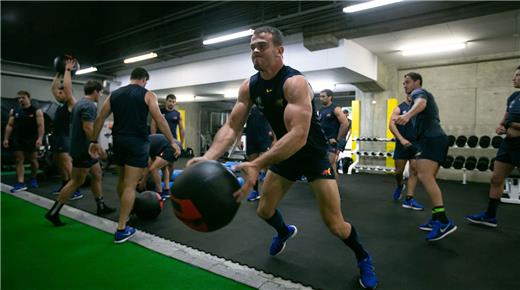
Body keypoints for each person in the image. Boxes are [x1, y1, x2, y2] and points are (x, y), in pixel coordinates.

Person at [187, 26, 378, 289]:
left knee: (335, 224)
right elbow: (232, 126)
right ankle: (284, 231)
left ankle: (363, 257)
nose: (255, 50)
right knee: (264, 210)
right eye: (252, 46)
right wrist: (208, 157)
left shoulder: (294, 83)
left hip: (312, 156)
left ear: (279, 50)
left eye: (262, 45)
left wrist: (256, 163)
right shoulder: (250, 86)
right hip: (285, 155)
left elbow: (299, 135)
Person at [89, 67, 179, 244]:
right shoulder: (148, 94)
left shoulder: (114, 94)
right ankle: (122, 228)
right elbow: (159, 119)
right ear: (145, 79)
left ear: (131, 78)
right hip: (137, 143)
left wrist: (93, 141)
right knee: (130, 186)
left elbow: (100, 117)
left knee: (121, 180)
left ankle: (126, 213)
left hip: (119, 141)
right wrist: (172, 142)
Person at [395, 72, 457, 241]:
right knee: (428, 179)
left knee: (424, 176)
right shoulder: (414, 98)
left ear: (417, 82)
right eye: (404, 83)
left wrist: (407, 115)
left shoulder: (419, 93)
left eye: (407, 82)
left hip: (432, 140)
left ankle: (443, 221)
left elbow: (421, 102)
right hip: (433, 140)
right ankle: (436, 218)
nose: (405, 85)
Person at [45, 80, 115, 226]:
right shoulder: (89, 105)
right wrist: (98, 147)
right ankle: (54, 212)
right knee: (76, 181)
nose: (100, 95)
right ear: (96, 91)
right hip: (84, 150)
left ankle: (100, 205)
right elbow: (88, 128)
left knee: (97, 174)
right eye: (100, 92)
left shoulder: (79, 104)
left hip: (81, 148)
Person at [466, 65, 520, 227]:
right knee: (496, 179)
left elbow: (512, 122)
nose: (514, 78)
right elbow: (506, 118)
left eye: (518, 75)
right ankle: (490, 216)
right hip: (508, 144)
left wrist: (512, 125)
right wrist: (501, 126)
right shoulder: (513, 97)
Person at [50, 59, 82, 199]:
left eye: (61, 92)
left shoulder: (71, 102)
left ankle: (74, 189)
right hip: (57, 136)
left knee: (65, 160)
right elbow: (53, 88)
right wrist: (59, 72)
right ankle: (65, 184)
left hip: (65, 136)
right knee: (57, 160)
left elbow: (67, 89)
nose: (58, 94)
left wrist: (68, 71)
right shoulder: (61, 104)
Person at [3, 90, 44, 192]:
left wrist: (40, 138)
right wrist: (6, 138)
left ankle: (33, 178)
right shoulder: (14, 111)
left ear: (28, 98)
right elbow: (9, 125)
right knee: (18, 160)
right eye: (19, 98)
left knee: (33, 160)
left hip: (31, 139)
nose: (21, 100)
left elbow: (40, 126)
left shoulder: (36, 111)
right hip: (18, 138)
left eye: (23, 98)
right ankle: (20, 183)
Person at [388, 93, 423, 210]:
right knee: (398, 172)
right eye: (409, 94)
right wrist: (401, 139)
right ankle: (399, 185)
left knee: (414, 170)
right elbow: (391, 125)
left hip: (416, 144)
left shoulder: (419, 108)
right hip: (401, 144)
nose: (411, 96)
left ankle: (409, 198)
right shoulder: (399, 108)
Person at [151, 93, 185, 188]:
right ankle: (158, 182)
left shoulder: (177, 114)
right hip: (159, 141)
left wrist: (181, 143)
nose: (172, 103)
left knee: (170, 163)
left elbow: (181, 129)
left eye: (173, 102)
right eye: (170, 101)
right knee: (156, 163)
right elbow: (153, 125)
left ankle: (168, 183)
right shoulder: (159, 112)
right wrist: (153, 138)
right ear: (166, 101)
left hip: (172, 142)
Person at [244, 105, 276, 201]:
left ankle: (267, 192)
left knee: (266, 166)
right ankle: (255, 191)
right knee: (253, 167)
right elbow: (239, 123)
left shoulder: (267, 106)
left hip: (264, 138)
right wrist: (238, 140)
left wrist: (274, 139)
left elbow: (275, 123)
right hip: (251, 139)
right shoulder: (247, 109)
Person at [318, 89, 350, 184]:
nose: (321, 98)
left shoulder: (335, 109)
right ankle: (327, 185)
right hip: (323, 142)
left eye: (323, 96)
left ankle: (334, 188)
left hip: (332, 142)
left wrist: (337, 139)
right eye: (320, 96)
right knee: (324, 165)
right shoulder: (321, 110)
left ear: (330, 97)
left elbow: (345, 124)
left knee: (331, 165)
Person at [137, 134, 181, 200]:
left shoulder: (143, 147)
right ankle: (166, 190)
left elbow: (147, 168)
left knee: (153, 169)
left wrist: (142, 182)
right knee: (163, 167)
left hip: (173, 147)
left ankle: (159, 193)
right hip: (172, 145)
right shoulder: (148, 146)